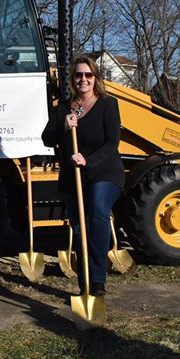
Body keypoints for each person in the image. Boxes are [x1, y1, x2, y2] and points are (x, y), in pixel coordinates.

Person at [41, 55, 124, 296]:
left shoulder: (108, 104)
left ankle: (97, 281)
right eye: (79, 75)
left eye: (88, 75)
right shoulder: (63, 108)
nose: (84, 79)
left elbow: (112, 143)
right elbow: (47, 138)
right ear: (72, 79)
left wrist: (88, 161)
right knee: (79, 229)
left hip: (105, 172)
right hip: (73, 177)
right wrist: (64, 126)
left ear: (95, 77)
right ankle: (85, 285)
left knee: (97, 211)